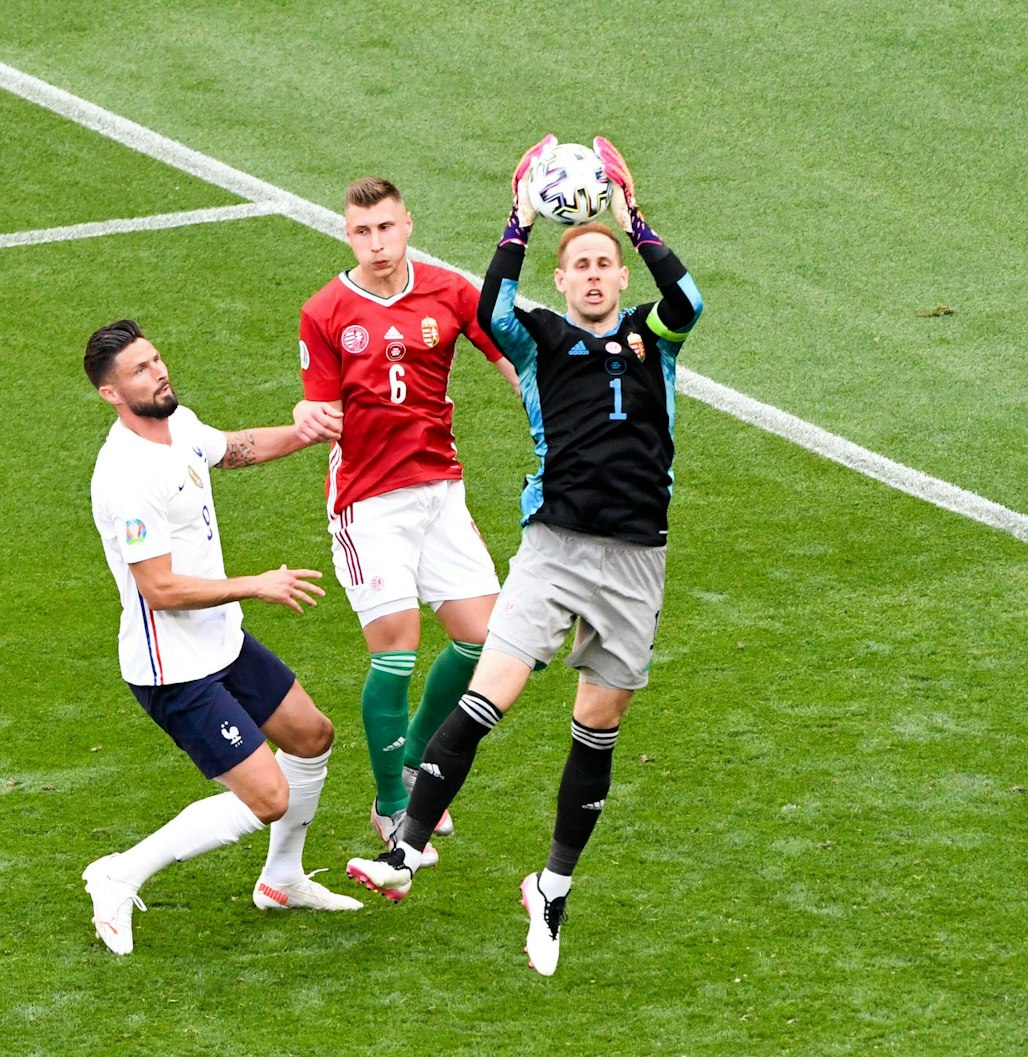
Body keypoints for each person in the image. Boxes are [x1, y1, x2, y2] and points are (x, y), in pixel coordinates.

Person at [344, 136, 702, 977]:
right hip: (553, 546)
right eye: (575, 263)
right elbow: (493, 299)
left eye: (601, 264)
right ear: (562, 274)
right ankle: (406, 848)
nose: (587, 274)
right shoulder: (536, 336)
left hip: (637, 557)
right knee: (488, 695)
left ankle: (552, 886)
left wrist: (630, 217)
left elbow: (686, 295)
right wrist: (521, 218)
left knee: (598, 725)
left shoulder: (658, 336)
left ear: (618, 278)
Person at [78, 318, 362, 956]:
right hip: (173, 668)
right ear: (111, 394)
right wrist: (254, 584)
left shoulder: (176, 424)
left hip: (220, 641)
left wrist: (311, 430)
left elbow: (236, 448)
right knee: (267, 797)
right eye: (141, 371)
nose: (159, 373)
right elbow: (160, 589)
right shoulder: (126, 477)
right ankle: (122, 874)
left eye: (156, 360)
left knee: (312, 734)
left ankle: (282, 879)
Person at [292, 177, 520, 860]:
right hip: (368, 504)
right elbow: (318, 405)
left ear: (408, 225)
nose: (376, 243)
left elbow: (509, 354)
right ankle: (392, 802)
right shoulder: (325, 310)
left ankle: (418, 753)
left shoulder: (449, 292)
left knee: (487, 641)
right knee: (396, 650)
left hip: (440, 494)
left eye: (386, 228)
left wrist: (543, 401)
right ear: (346, 234)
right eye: (362, 232)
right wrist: (309, 414)